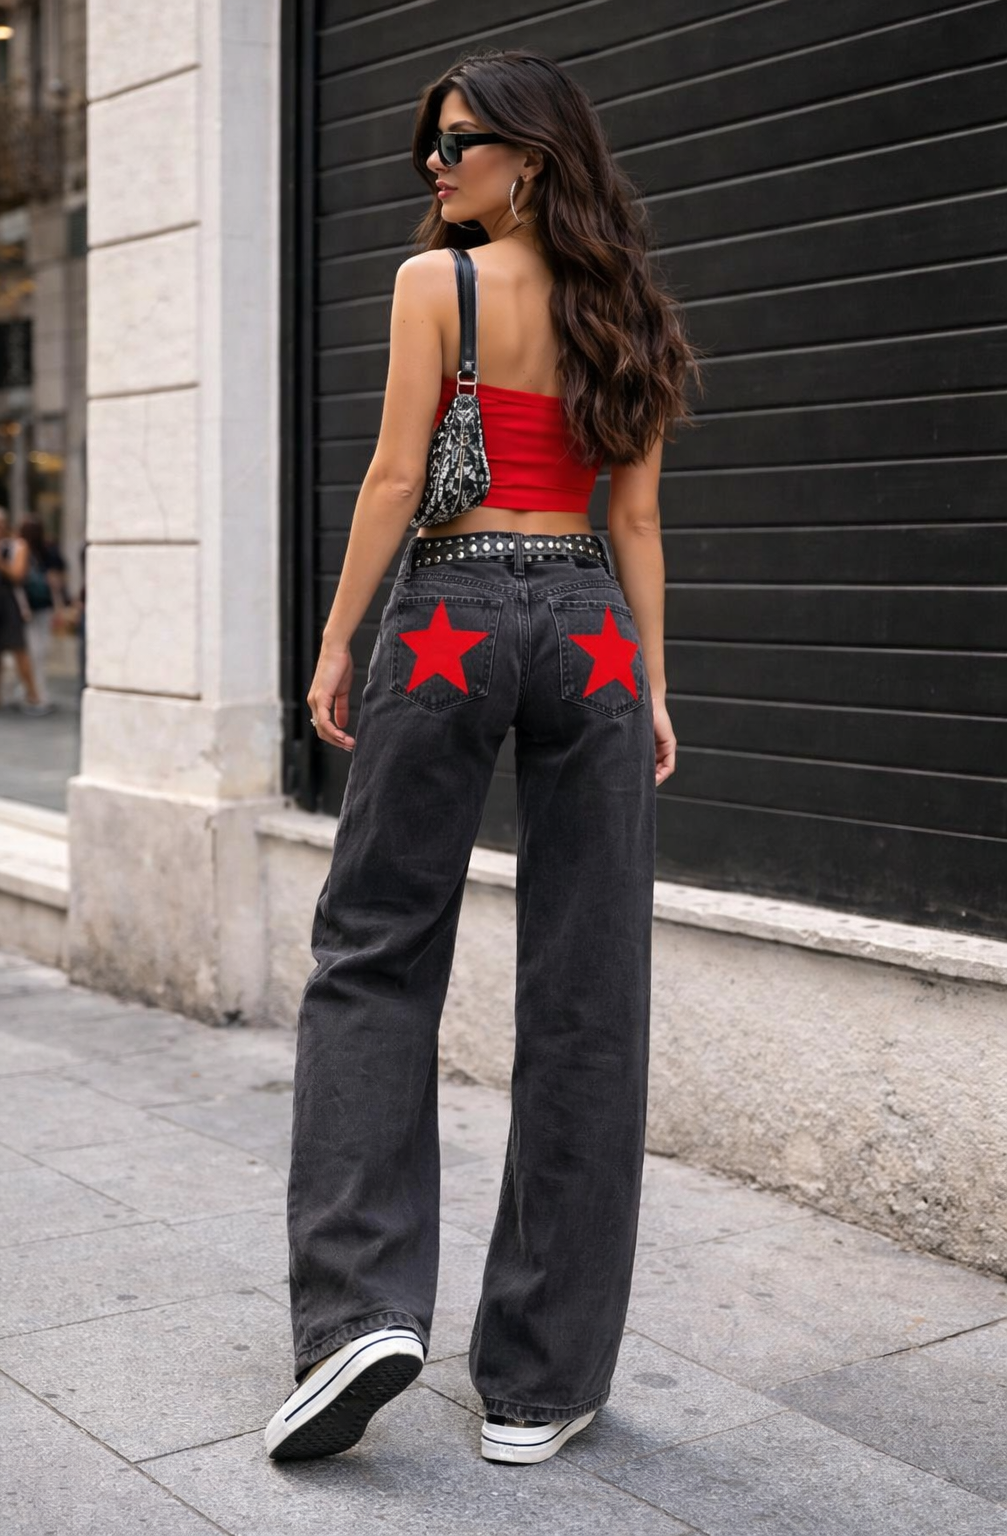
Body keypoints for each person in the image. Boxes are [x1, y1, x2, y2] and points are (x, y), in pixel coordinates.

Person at [266, 49, 703, 1466]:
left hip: (451, 611)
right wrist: (651, 684)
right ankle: (540, 1379)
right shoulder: (629, 309)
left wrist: (338, 641)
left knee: (374, 950)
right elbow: (633, 522)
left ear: (532, 157)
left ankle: (357, 1315)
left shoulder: (435, 290)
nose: (435, 166)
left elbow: (399, 477)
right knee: (589, 990)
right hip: (589, 629)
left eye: (458, 144)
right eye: (431, 145)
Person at [0, 505, 51, 716]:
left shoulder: (17, 546)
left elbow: (18, 575)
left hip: (10, 604)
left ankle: (34, 696)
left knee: (18, 649)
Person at [16, 512, 69, 711]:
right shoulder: (19, 550)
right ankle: (32, 691)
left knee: (39, 651)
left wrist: (59, 606)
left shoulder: (47, 551)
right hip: (26, 607)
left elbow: (58, 577)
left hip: (41, 606)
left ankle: (34, 690)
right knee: (33, 651)